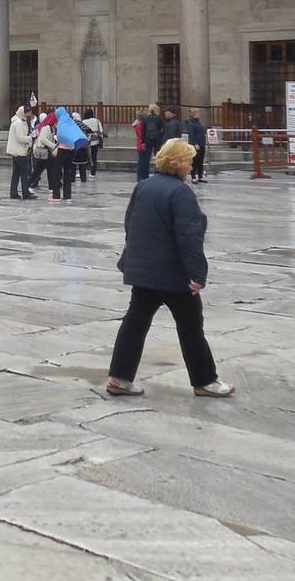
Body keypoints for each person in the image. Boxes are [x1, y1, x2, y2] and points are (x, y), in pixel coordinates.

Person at [105, 138, 233, 400]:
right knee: (190, 326)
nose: (190, 165)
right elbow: (189, 238)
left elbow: (130, 225)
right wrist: (198, 275)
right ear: (180, 163)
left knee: (135, 323)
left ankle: (119, 378)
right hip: (173, 275)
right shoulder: (180, 192)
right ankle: (205, 380)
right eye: (188, 160)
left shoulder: (143, 186)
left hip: (144, 272)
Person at [7, 106, 32, 199]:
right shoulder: (18, 123)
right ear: (23, 113)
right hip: (19, 152)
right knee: (24, 174)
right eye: (28, 112)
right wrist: (30, 138)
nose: (29, 115)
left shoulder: (20, 121)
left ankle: (13, 193)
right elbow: (20, 138)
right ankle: (25, 193)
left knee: (16, 174)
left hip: (18, 151)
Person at [29, 114, 57, 194]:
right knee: (39, 170)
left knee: (46, 170)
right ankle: (29, 184)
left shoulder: (52, 129)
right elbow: (42, 139)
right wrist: (53, 145)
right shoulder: (46, 128)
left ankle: (51, 187)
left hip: (47, 151)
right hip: (44, 151)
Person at [139, 104, 166, 174]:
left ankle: (145, 173)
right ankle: (157, 172)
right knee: (158, 156)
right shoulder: (160, 119)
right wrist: (161, 138)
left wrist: (142, 141)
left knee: (146, 158)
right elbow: (163, 129)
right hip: (157, 140)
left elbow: (143, 131)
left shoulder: (145, 119)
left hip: (147, 140)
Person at [184, 109, 208, 183]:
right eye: (197, 112)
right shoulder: (190, 122)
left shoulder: (198, 122)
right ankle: (193, 177)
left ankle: (200, 176)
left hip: (202, 143)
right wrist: (195, 143)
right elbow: (191, 134)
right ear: (194, 113)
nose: (199, 114)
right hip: (195, 144)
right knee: (194, 161)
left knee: (200, 161)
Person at [82, 109, 105, 176]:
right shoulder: (97, 121)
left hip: (86, 142)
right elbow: (101, 131)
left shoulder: (84, 121)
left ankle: (84, 172)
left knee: (86, 157)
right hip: (95, 141)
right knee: (94, 157)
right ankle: (93, 173)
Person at [133, 111, 149, 181]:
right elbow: (141, 135)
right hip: (142, 145)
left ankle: (140, 176)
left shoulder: (137, 124)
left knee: (141, 161)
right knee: (142, 161)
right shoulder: (140, 125)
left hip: (139, 144)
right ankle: (141, 176)